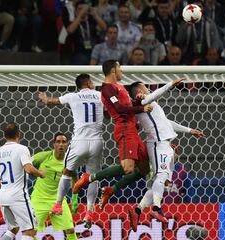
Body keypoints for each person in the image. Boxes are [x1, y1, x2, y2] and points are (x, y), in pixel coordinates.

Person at [73, 60, 152, 209]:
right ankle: (88, 177)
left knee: (144, 169)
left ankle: (111, 190)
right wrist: (141, 109)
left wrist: (138, 101)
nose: (122, 71)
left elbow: (127, 106)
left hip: (132, 130)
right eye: (120, 68)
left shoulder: (119, 87)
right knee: (128, 168)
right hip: (124, 129)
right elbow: (119, 108)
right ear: (113, 70)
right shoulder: (107, 89)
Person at [127, 81, 205, 231]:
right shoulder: (142, 101)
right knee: (161, 177)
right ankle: (156, 208)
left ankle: (137, 210)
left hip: (166, 144)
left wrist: (189, 130)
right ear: (139, 91)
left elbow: (166, 122)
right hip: (158, 144)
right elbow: (156, 93)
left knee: (160, 182)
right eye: (145, 86)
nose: (148, 88)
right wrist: (170, 84)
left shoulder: (150, 105)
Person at [38, 74, 103, 229]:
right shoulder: (100, 95)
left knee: (66, 172)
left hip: (79, 142)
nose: (93, 83)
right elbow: (108, 114)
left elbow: (50, 102)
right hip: (97, 142)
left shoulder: (72, 96)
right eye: (92, 81)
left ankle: (58, 205)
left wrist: (44, 97)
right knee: (92, 178)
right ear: (87, 82)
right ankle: (89, 212)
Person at [0, 122, 45, 240]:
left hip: (3, 196)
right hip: (18, 195)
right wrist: (41, 174)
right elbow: (28, 169)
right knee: (29, 231)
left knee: (13, 229)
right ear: (19, 134)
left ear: (4, 136)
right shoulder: (21, 149)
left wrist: (3, 186)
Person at [30, 132, 78, 240]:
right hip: (39, 199)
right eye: (58, 142)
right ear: (54, 144)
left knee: (70, 230)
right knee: (32, 231)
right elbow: (26, 164)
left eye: (64, 142)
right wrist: (37, 173)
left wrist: (75, 197)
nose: (61, 144)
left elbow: (75, 178)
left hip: (58, 201)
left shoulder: (70, 162)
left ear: (67, 145)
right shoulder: (43, 157)